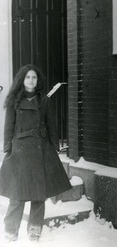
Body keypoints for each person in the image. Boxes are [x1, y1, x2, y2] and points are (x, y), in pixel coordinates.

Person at [0, 64, 72, 242]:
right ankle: (10, 231)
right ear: (22, 80)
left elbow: (51, 125)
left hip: (41, 151)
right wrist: (7, 148)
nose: (31, 80)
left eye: (34, 77)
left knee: (39, 194)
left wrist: (54, 147)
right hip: (19, 152)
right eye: (28, 77)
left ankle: (34, 229)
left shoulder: (44, 100)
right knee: (18, 195)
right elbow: (8, 127)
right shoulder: (14, 101)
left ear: (37, 80)